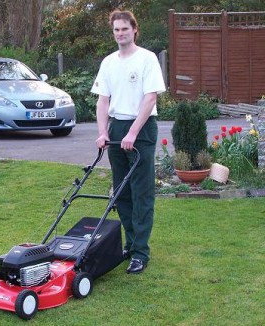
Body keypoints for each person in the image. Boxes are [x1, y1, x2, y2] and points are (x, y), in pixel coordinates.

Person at [91, 9, 166, 274]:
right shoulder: (109, 62)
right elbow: (102, 100)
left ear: (134, 30)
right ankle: (132, 244)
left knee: (141, 192)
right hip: (117, 127)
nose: (120, 33)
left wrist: (132, 133)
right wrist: (103, 132)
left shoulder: (147, 59)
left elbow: (150, 98)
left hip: (141, 129)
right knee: (121, 192)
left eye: (125, 29)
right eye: (116, 30)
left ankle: (140, 253)